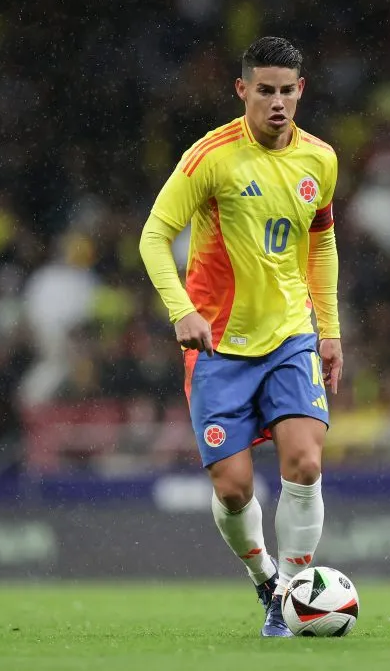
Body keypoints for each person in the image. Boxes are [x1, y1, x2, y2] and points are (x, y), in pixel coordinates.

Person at [139, 36, 342, 637]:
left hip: (288, 336)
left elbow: (322, 241)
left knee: (304, 462)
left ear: (300, 91)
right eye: (265, 91)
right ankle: (265, 580)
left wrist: (327, 330)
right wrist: (180, 311)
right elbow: (154, 235)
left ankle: (294, 594)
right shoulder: (210, 158)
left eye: (287, 91)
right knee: (232, 489)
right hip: (218, 346)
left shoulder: (320, 160)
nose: (277, 103)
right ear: (242, 91)